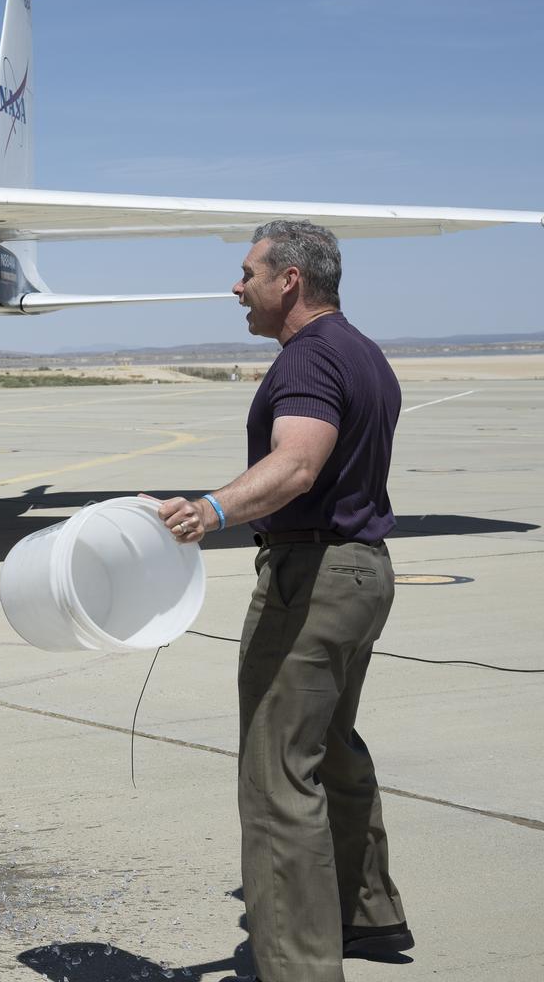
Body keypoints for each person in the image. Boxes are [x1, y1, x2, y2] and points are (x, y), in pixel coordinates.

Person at [153, 221, 411, 980]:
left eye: (246, 273)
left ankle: (297, 965)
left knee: (277, 773)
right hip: (362, 571)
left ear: (289, 279)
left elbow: (297, 465)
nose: (237, 288)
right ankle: (363, 914)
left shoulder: (307, 359)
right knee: (330, 747)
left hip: (316, 577)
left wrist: (210, 509)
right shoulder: (360, 351)